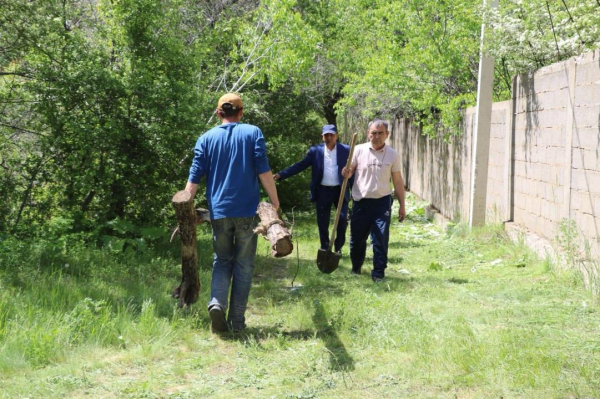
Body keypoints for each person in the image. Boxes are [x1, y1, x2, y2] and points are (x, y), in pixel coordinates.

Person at [185, 93, 279, 333]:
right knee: (244, 264)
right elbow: (264, 170)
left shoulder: (206, 138)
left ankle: (217, 303)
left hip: (219, 212)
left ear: (219, 113)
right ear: (241, 112)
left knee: (222, 260)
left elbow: (194, 177)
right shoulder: (253, 133)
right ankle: (237, 321)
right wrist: (275, 202)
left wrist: (185, 207)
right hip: (247, 211)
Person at [342, 119, 406, 282]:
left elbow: (397, 181)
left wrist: (402, 206)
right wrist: (346, 172)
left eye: (380, 133)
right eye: (373, 133)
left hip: (382, 203)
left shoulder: (392, 154)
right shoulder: (358, 150)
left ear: (387, 134)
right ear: (368, 134)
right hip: (361, 203)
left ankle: (378, 273)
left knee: (380, 239)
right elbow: (350, 172)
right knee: (357, 240)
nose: (376, 136)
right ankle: (356, 267)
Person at [274, 124, 353, 253]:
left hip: (341, 190)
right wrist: (282, 174)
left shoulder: (346, 150)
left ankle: (338, 247)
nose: (329, 137)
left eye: (331, 135)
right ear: (322, 137)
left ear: (336, 136)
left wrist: (354, 188)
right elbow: (300, 165)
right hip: (323, 191)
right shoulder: (315, 151)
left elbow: (353, 170)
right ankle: (325, 247)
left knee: (343, 219)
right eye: (326, 135)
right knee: (323, 221)